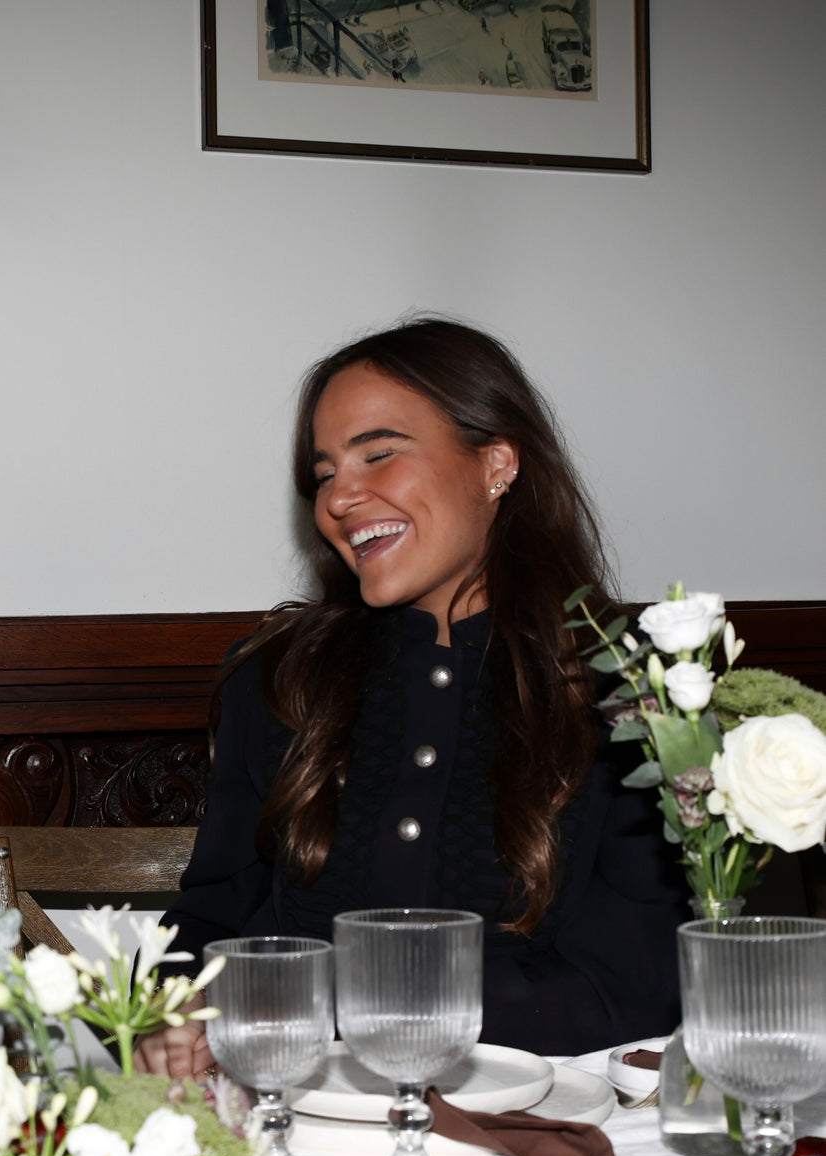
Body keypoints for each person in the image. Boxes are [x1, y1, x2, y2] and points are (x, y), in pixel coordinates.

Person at [136, 317, 688, 1079]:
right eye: (324, 472)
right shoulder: (276, 677)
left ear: (496, 463)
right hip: (297, 1116)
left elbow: (634, 984)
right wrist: (170, 1012)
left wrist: (354, 1005)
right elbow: (208, 922)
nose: (340, 497)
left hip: (544, 1125)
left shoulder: (636, 688)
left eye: (380, 453)